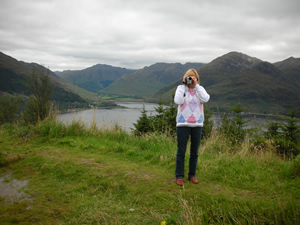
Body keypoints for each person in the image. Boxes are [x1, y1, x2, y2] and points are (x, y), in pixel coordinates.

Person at [174, 68, 210, 186]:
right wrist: (184, 85)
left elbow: (205, 99)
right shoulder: (180, 89)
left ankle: (192, 175)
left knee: (194, 152)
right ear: (185, 78)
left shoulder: (200, 90)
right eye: (189, 77)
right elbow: (178, 101)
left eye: (193, 77)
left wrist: (197, 85)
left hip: (197, 124)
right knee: (181, 151)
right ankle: (179, 176)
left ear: (197, 79)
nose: (191, 79)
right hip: (183, 124)